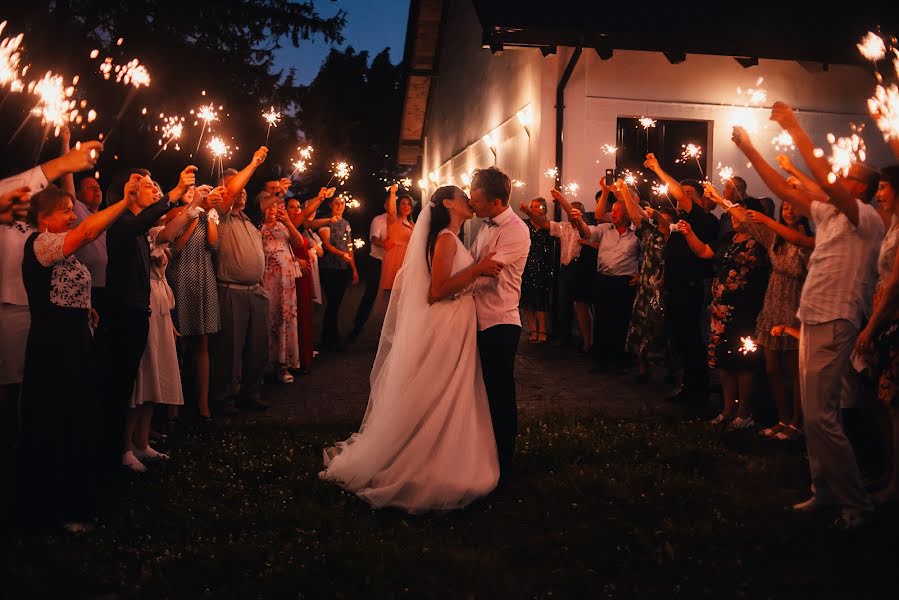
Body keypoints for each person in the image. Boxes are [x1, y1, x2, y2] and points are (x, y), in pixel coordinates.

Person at [736, 103, 883, 530]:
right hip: (814, 317)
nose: (839, 177)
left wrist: (794, 127)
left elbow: (820, 180)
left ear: (862, 188)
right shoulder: (831, 213)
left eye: (848, 175)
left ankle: (856, 503)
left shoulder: (865, 218)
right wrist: (749, 147)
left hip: (837, 320)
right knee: (818, 413)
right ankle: (823, 491)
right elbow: (784, 189)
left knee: (820, 416)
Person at [320, 185, 503, 513]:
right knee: (439, 391)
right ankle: (424, 459)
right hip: (446, 324)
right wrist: (478, 269)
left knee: (446, 391)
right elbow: (437, 291)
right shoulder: (446, 238)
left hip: (455, 326)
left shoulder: (450, 236)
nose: (470, 202)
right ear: (449, 203)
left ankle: (441, 452)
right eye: (464, 198)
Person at [19, 180, 132, 531]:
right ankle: (55, 508)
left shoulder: (59, 248)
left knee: (80, 412)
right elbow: (85, 234)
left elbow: (66, 287)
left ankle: (78, 498)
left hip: (75, 339)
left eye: (72, 209)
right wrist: (125, 201)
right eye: (65, 210)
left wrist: (86, 310)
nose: (72, 215)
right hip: (54, 346)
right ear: (44, 218)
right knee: (59, 417)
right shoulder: (40, 243)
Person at [0, 142, 103, 443]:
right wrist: (64, 162)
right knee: (9, 386)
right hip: (9, 305)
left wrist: (81, 303)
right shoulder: (6, 208)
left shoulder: (39, 221)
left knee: (37, 384)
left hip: (42, 309)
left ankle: (35, 444)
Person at [102, 166, 195, 472]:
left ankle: (136, 444)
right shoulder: (120, 221)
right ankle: (118, 449)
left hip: (141, 309)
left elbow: (163, 232)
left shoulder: (140, 227)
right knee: (125, 385)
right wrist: (176, 192)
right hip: (124, 311)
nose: (152, 189)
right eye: (144, 185)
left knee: (138, 379)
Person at [681, 193, 771, 430]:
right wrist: (689, 232)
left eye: (737, 211)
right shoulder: (729, 239)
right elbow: (704, 253)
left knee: (743, 360)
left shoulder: (761, 241)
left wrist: (721, 199)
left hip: (745, 308)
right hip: (721, 309)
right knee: (724, 360)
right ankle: (727, 409)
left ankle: (744, 413)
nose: (731, 216)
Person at [469, 167, 531, 477]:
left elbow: (489, 267)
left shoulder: (516, 230)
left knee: (500, 392)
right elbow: (474, 263)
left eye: (476, 200)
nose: (471, 203)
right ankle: (484, 452)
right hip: (477, 319)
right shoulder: (483, 227)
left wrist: (471, 270)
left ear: (496, 202)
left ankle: (504, 462)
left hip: (500, 322)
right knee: (480, 391)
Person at [644, 153, 718, 408]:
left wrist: (658, 168)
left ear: (696, 198)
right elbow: (671, 253)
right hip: (675, 288)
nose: (679, 197)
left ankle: (699, 389)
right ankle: (687, 385)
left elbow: (681, 196)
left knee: (692, 341)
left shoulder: (704, 219)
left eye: (685, 193)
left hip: (691, 289)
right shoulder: (680, 222)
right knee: (680, 340)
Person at [740, 197, 814, 441]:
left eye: (794, 206)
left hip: (795, 303)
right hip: (773, 301)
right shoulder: (775, 237)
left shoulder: (806, 240)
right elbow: (749, 223)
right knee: (773, 369)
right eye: (785, 207)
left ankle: (796, 423)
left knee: (794, 371)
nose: (789, 210)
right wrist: (720, 199)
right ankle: (782, 418)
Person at [211, 148, 272, 415]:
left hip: (255, 291)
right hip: (231, 290)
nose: (244, 192)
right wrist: (254, 163)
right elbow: (230, 193)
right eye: (240, 188)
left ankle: (250, 393)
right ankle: (224, 398)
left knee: (257, 348)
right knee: (229, 350)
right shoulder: (219, 216)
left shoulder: (248, 221)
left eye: (246, 188)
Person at [855, 165, 899, 504]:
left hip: (893, 321)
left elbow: (895, 283)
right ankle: (887, 470)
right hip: (883, 318)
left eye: (883, 187)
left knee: (894, 403)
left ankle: (895, 483)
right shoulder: (892, 223)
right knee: (883, 401)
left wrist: (871, 327)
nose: (878, 194)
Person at [168, 184, 222, 419]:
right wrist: (192, 215)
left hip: (203, 280)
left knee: (202, 343)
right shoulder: (176, 217)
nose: (195, 195)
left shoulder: (208, 216)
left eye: (198, 192)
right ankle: (173, 406)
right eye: (190, 192)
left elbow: (214, 245)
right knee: (178, 345)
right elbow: (175, 248)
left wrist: (209, 217)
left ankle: (202, 403)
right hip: (180, 279)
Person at [617, 183, 677, 382]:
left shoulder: (672, 238)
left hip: (661, 287)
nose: (661, 221)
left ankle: (668, 369)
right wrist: (625, 191)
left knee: (660, 326)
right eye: (661, 218)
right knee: (640, 325)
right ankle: (643, 368)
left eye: (665, 220)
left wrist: (659, 217)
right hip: (644, 286)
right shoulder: (651, 233)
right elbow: (635, 216)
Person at [519, 189, 590, 350]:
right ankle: (564, 338)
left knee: (580, 306)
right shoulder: (562, 227)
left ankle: (585, 342)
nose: (570, 215)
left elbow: (587, 236)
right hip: (564, 268)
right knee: (563, 304)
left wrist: (560, 198)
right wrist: (529, 212)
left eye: (574, 213)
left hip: (579, 269)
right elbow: (544, 224)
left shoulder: (586, 229)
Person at [585, 196, 640, 374]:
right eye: (613, 210)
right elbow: (587, 231)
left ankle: (619, 360)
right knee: (602, 319)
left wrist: (640, 274)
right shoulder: (605, 229)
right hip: (603, 280)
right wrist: (577, 219)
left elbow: (649, 255)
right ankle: (601, 359)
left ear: (626, 215)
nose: (612, 213)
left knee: (620, 321)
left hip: (624, 282)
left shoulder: (636, 234)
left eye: (617, 211)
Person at [260, 201, 307, 383]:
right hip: (267, 280)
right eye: (269, 206)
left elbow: (297, 244)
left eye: (276, 206)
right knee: (267, 319)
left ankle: (283, 365)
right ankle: (265, 364)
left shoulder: (284, 226)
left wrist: (288, 222)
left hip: (286, 282)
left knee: (284, 319)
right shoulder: (258, 229)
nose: (272, 210)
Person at [349, 187, 391, 341]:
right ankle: (358, 325)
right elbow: (374, 238)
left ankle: (388, 330)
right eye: (390, 203)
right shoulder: (379, 220)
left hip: (394, 263)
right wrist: (386, 245)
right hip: (377, 261)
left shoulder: (402, 221)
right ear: (386, 205)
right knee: (371, 293)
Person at [318, 194, 359, 351]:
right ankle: (331, 338)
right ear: (331, 205)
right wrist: (342, 254)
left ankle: (330, 337)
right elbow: (327, 245)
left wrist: (353, 268)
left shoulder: (346, 223)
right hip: (329, 267)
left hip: (343, 268)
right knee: (333, 303)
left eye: (342, 203)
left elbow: (349, 246)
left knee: (337, 303)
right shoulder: (326, 221)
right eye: (336, 203)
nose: (339, 205)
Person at [518, 197, 554, 343]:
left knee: (542, 299)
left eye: (537, 207)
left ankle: (543, 330)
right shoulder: (524, 225)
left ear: (544, 209)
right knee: (527, 299)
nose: (533, 209)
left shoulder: (549, 226)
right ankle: (533, 329)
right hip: (526, 266)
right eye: (531, 206)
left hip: (544, 266)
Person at [379, 187, 415, 292]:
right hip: (395, 257)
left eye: (409, 204)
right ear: (398, 206)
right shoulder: (393, 220)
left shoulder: (412, 224)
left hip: (407, 258)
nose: (406, 206)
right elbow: (391, 210)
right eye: (403, 203)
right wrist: (393, 192)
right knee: (393, 290)